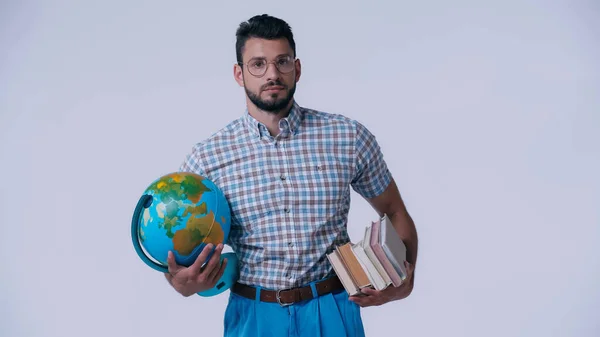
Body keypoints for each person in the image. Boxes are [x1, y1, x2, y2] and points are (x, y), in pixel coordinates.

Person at [163, 14, 418, 337]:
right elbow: (180, 252)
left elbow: (394, 210)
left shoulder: (347, 137)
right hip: (254, 316)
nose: (272, 73)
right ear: (239, 74)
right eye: (258, 64)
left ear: (296, 69)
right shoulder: (206, 159)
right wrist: (181, 283)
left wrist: (404, 281)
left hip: (332, 310)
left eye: (281, 62)